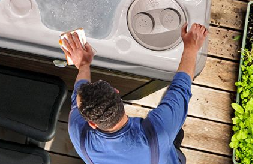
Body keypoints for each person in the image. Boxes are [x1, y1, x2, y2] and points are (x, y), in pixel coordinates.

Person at [60, 24, 207, 164]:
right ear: (117, 93)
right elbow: (180, 88)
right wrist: (191, 48)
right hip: (163, 148)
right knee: (175, 136)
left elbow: (78, 98)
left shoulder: (79, 135)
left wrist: (84, 65)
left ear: (91, 123)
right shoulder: (159, 133)